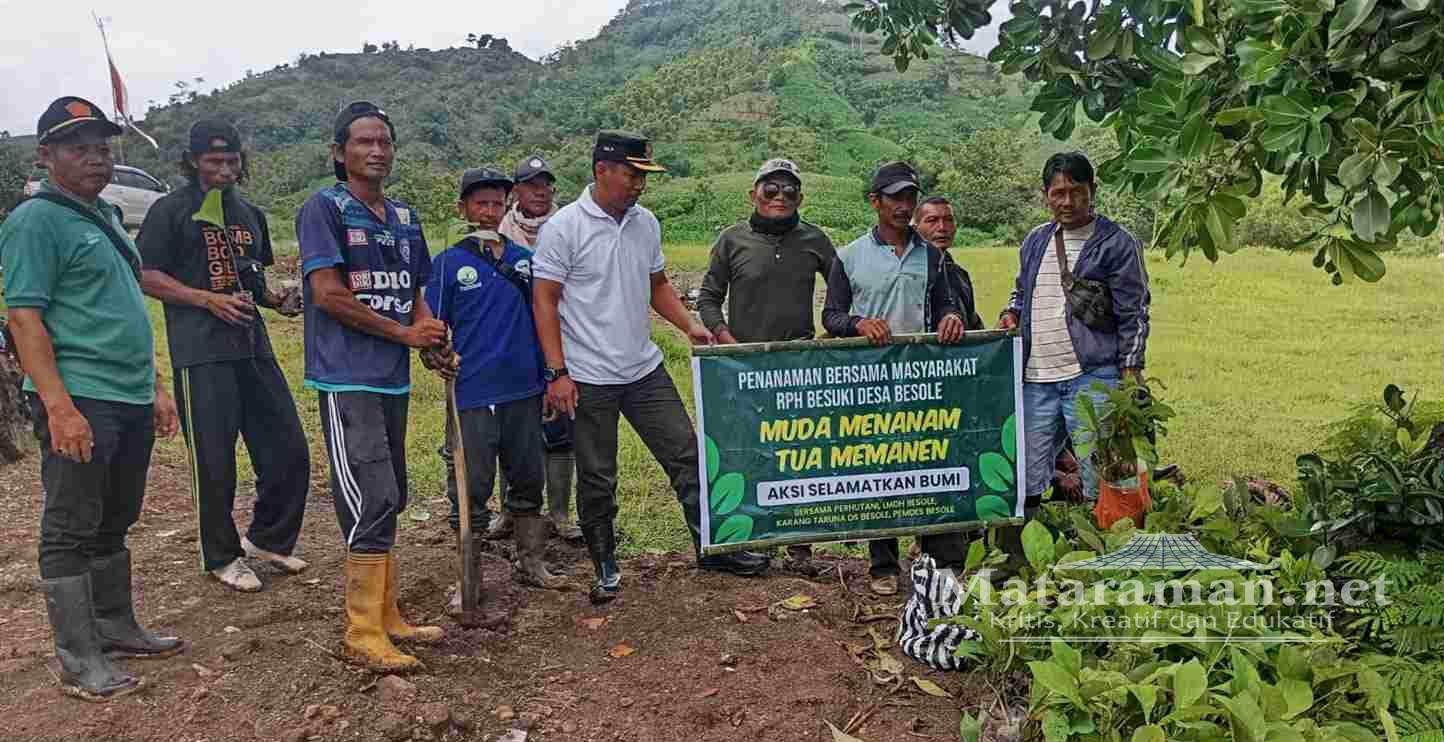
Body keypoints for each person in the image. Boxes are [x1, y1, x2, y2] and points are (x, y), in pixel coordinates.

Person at [532, 131, 771, 605]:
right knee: (598, 476)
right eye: (632, 174)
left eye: (644, 175)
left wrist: (690, 325)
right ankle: (604, 565)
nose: (640, 184)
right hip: (588, 376)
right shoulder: (565, 227)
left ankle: (712, 548)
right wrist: (556, 373)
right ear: (602, 170)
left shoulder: (645, 223)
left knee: (686, 454)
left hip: (643, 369)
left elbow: (657, 285)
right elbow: (545, 300)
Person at [1, 97, 185, 700]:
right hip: (80, 394)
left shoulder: (104, 214)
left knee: (115, 518)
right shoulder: (35, 221)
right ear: (46, 154)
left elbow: (126, 308)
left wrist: (154, 384)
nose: (95, 158)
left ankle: (115, 625)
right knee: (70, 524)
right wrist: (58, 407)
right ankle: (79, 658)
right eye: (78, 147)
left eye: (102, 147)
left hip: (126, 393)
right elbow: (24, 318)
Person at [296, 101, 447, 672]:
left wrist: (429, 336)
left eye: (384, 141)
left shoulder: (405, 218)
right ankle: (361, 630)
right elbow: (329, 295)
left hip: (392, 378)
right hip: (345, 375)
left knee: (394, 493)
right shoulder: (324, 208)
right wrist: (405, 333)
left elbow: (416, 290)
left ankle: (388, 616)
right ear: (340, 152)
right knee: (371, 496)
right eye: (363, 142)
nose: (376, 150)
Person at [137, 118, 309, 593]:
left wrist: (275, 299)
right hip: (201, 353)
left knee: (288, 448)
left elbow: (252, 279)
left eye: (232, 161)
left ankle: (269, 539)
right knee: (215, 461)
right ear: (192, 161)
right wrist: (205, 299)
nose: (225, 170)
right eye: (214, 161)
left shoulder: (248, 213)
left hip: (253, 346)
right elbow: (145, 274)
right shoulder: (170, 211)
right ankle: (221, 554)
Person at [821, 161, 970, 597]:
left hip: (926, 378)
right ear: (875, 202)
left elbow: (949, 304)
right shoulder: (848, 257)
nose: (904, 206)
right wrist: (859, 324)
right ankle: (883, 565)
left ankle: (941, 561)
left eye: (910, 198)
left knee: (933, 462)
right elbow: (831, 316)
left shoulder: (933, 256)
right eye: (895, 198)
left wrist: (951, 319)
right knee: (880, 467)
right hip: (872, 381)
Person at [425, 166, 567, 605]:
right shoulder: (448, 263)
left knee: (527, 478)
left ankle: (532, 562)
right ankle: (468, 574)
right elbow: (431, 327)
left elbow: (546, 320)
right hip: (472, 392)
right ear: (464, 208)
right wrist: (434, 354)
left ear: (506, 205)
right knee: (471, 487)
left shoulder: (525, 261)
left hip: (523, 389)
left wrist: (549, 377)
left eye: (496, 203)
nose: (489, 211)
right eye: (480, 203)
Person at [696, 157, 837, 576]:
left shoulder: (815, 239)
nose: (780, 197)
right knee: (748, 451)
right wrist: (726, 340)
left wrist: (831, 335)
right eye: (770, 189)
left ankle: (800, 546)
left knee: (799, 453)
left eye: (789, 190)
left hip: (798, 366)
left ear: (801, 197)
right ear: (753, 194)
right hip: (743, 367)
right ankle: (751, 535)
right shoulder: (731, 240)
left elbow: (843, 292)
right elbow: (707, 298)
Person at [997, 152, 1150, 504]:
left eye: (1076, 191)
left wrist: (1131, 369)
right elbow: (1022, 290)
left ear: (1092, 190)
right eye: (1058, 193)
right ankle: (1025, 551)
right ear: (1045, 195)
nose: (1067, 201)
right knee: (1027, 475)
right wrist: (1011, 312)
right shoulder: (1036, 239)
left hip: (1093, 375)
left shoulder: (1117, 242)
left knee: (1099, 475)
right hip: (1036, 378)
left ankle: (1100, 549)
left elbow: (1134, 311)